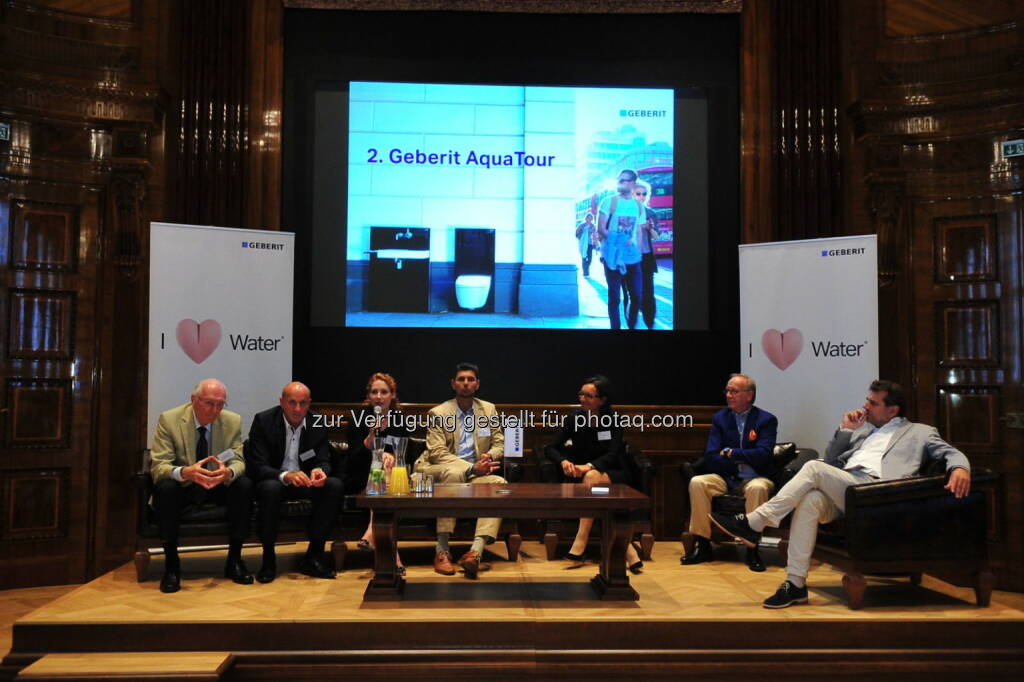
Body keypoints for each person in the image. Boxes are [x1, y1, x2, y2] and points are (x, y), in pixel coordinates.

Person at [711, 379, 972, 608]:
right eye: (866, 400)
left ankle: (755, 522)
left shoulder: (920, 432)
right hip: (848, 489)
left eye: (873, 403)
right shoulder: (863, 431)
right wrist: (846, 430)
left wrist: (960, 468)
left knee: (813, 467)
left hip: (877, 493)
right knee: (811, 500)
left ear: (893, 410)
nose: (865, 406)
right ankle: (795, 584)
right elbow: (834, 460)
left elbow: (951, 453)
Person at [149, 378, 254, 593]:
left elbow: (238, 459)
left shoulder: (232, 421)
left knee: (243, 484)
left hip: (217, 485)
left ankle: (234, 560)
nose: (215, 410)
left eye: (220, 404)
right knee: (166, 488)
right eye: (209, 403)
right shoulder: (170, 420)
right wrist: (185, 472)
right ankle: (172, 566)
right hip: (185, 487)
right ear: (194, 400)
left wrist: (228, 472)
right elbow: (159, 466)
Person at [245, 381, 344, 583]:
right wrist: (285, 476)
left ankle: (314, 555)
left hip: (305, 482)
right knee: (270, 489)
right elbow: (257, 466)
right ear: (281, 402)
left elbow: (323, 459)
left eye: (303, 403)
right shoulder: (263, 421)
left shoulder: (317, 422)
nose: (297, 409)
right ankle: (269, 559)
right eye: (292, 403)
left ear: (309, 404)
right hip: (275, 480)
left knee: (334, 485)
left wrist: (320, 471)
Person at [544, 375, 643, 573]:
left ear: (602, 400)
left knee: (591, 478)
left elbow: (614, 454)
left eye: (588, 396)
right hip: (586, 476)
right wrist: (564, 461)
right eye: (581, 394)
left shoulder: (614, 420)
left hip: (614, 473)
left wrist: (588, 466)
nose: (582, 399)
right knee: (593, 483)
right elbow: (551, 448)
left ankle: (580, 542)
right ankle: (628, 549)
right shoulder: (574, 419)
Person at [415, 362, 505, 579]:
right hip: (434, 472)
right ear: (453, 384)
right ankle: (442, 551)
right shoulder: (438, 412)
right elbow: (437, 453)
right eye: (461, 379)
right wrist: (472, 467)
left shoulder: (488, 409)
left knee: (499, 485)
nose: (466, 383)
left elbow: (499, 443)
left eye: (470, 379)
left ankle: (475, 552)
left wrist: (489, 456)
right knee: (454, 473)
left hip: (474, 473)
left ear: (477, 384)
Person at [682, 373, 778, 572]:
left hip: (756, 476)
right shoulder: (720, 418)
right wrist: (736, 464)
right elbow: (710, 455)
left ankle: (752, 548)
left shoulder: (766, 420)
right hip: (728, 476)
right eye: (727, 390)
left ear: (749, 395)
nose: (728, 395)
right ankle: (703, 545)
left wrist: (732, 452)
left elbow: (763, 455)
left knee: (758, 488)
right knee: (698, 482)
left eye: (734, 391)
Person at [345, 372, 407, 574]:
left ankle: (372, 532)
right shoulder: (358, 417)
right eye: (375, 392)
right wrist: (371, 437)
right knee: (378, 466)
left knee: (383, 468)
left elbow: (405, 453)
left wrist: (391, 456)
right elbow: (354, 456)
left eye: (384, 392)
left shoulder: (399, 418)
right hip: (360, 475)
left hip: (388, 476)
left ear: (392, 395)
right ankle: (393, 556)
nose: (379, 396)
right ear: (369, 396)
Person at [597, 169, 644, 330]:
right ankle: (615, 329)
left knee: (637, 296)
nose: (620, 183)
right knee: (615, 297)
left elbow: (638, 231)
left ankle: (631, 327)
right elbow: (601, 229)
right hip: (613, 257)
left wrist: (639, 253)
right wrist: (621, 241)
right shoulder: (609, 202)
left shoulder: (638, 206)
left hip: (632, 258)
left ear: (632, 183)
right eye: (620, 179)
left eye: (624, 180)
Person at [632, 179, 661, 329]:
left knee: (648, 291)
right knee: (633, 294)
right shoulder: (624, 211)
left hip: (646, 257)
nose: (642, 197)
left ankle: (650, 323)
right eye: (638, 194)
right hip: (629, 257)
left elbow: (656, 236)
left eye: (644, 194)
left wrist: (649, 228)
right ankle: (632, 323)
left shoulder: (651, 212)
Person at [575, 211, 596, 277]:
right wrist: (582, 232)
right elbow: (576, 234)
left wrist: (596, 242)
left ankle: (587, 267)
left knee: (589, 258)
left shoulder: (593, 226)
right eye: (588, 218)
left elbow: (595, 235)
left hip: (590, 244)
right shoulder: (581, 226)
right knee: (584, 257)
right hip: (583, 244)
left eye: (591, 218)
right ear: (586, 218)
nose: (589, 219)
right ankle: (585, 272)